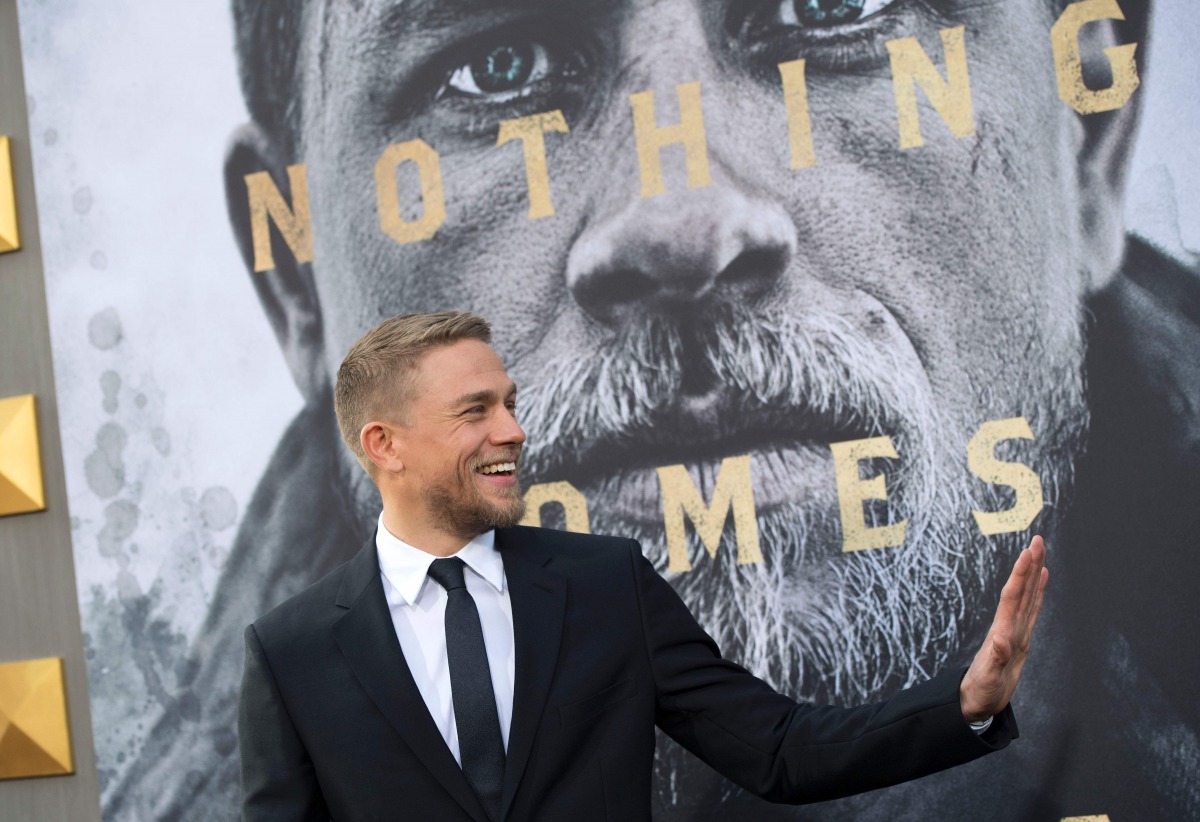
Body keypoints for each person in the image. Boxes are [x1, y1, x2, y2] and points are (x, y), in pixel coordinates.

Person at [108, 1, 1200, 819]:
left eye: (833, 10)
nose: (681, 222)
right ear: (297, 280)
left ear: (1088, 131)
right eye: (499, 68)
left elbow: (776, 749)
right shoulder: (308, 674)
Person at [238, 311, 1046, 821]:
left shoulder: (605, 586)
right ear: (384, 445)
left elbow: (780, 750)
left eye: (510, 403)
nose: (514, 430)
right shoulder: (293, 652)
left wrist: (964, 705)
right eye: (475, 411)